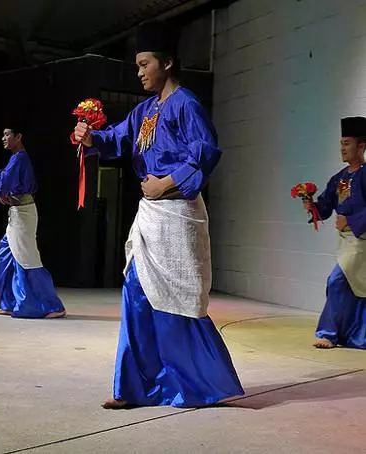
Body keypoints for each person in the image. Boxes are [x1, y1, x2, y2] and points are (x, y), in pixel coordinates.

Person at [74, 22, 244, 409]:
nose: (139, 72)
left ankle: (198, 384)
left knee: (175, 302)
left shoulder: (187, 104)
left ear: (167, 63)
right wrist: (91, 138)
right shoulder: (144, 110)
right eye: (137, 65)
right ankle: (135, 387)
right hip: (151, 215)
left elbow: (206, 152)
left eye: (144, 63)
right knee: (137, 293)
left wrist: (164, 182)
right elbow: (118, 139)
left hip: (178, 216)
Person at [0, 125, 66, 319]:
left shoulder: (20, 159)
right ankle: (9, 302)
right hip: (17, 214)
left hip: (23, 214)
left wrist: (0, 191)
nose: (3, 138)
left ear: (18, 136)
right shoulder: (15, 159)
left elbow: (3, 180)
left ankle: (52, 306)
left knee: (27, 258)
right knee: (6, 254)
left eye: (7, 134)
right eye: (2, 134)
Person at [304, 116, 366, 349]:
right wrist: (311, 205)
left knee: (337, 280)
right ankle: (355, 335)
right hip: (346, 241)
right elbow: (325, 207)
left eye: (348, 143)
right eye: (341, 143)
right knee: (353, 285)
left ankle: (328, 333)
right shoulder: (339, 178)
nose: (343, 148)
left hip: (362, 241)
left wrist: (350, 220)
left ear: (362, 146)